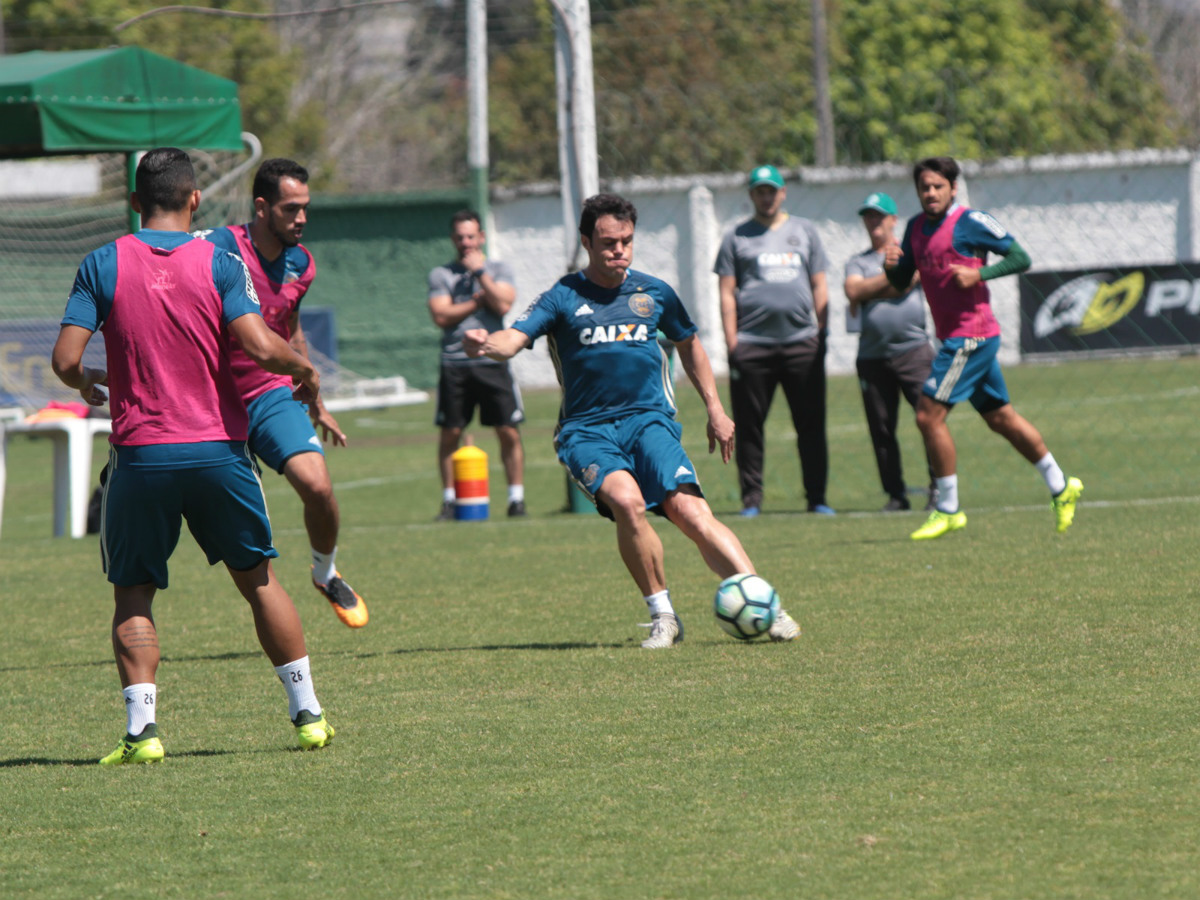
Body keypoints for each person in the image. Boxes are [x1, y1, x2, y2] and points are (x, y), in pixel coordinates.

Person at [51, 147, 335, 764]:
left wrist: (86, 381)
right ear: (196, 199)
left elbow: (65, 360)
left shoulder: (102, 262)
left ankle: (143, 733)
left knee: (134, 592)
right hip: (217, 452)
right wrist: (306, 372)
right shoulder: (221, 262)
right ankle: (308, 714)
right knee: (258, 580)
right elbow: (261, 346)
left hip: (141, 455)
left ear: (134, 201)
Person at [463, 193, 801, 649]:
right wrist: (484, 344)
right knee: (627, 502)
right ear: (587, 242)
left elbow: (690, 344)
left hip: (649, 423)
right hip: (587, 431)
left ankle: (765, 605)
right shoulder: (563, 296)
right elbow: (513, 338)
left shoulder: (654, 292)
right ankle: (664, 616)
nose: (619, 250)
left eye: (626, 240)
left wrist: (715, 409)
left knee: (692, 514)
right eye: (608, 242)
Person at [195, 158, 367, 628]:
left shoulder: (301, 263)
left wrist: (318, 403)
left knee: (318, 486)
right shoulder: (217, 246)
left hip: (270, 393)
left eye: (305, 207)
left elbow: (291, 331)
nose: (302, 218)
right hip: (210, 400)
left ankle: (325, 572)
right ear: (261, 207)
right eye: (291, 209)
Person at [883, 156, 1083, 540]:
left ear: (953, 188)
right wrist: (891, 265)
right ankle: (1061, 486)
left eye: (938, 186)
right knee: (1001, 419)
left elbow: (1020, 257)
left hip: (972, 336)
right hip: (954, 336)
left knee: (928, 417)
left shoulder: (971, 222)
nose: (931, 193)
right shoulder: (915, 228)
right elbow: (900, 280)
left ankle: (948, 508)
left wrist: (979, 274)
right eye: (924, 187)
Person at [714, 164, 834, 517]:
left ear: (783, 193)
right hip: (752, 345)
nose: (766, 197)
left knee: (810, 425)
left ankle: (817, 498)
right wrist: (732, 342)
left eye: (772, 190)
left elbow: (819, 284)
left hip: (802, 343)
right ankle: (751, 500)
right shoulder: (736, 237)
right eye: (760, 191)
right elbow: (726, 292)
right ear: (752, 195)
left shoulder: (805, 231)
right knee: (749, 427)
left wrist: (821, 331)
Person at [428, 209, 526, 519]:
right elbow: (441, 315)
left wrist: (480, 273)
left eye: (471, 236)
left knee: (508, 430)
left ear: (481, 237)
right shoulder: (441, 274)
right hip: (454, 364)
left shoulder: (499, 269)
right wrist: (476, 301)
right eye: (460, 237)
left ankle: (516, 499)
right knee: (450, 432)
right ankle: (449, 500)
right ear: (452, 239)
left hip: (492, 361)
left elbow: (504, 304)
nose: (466, 243)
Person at [843, 191, 937, 512]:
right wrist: (893, 280)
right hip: (872, 356)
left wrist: (872, 288)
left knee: (930, 419)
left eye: (879, 215)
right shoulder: (857, 261)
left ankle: (940, 487)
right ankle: (896, 494)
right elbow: (853, 289)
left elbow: (907, 281)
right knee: (881, 428)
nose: (874, 221)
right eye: (868, 216)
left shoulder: (910, 252)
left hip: (915, 351)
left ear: (893, 220)